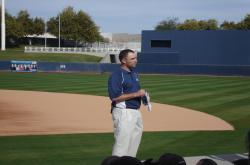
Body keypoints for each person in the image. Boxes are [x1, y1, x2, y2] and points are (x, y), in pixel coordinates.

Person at [108, 49, 145, 157]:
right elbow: (114, 97)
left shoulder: (134, 73)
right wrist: (136, 94)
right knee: (121, 147)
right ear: (124, 60)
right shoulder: (117, 75)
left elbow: (135, 91)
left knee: (133, 147)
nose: (135, 60)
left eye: (136, 58)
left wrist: (143, 96)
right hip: (124, 113)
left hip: (135, 113)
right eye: (132, 58)